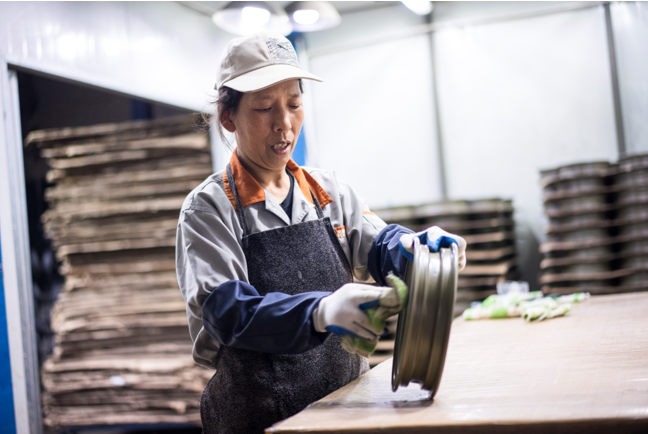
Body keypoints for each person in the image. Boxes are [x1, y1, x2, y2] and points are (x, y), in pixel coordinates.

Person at [175, 32, 467, 434]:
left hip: (343, 406)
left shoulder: (326, 190)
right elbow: (228, 313)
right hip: (259, 418)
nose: (284, 123)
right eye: (264, 107)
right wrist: (320, 312)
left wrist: (412, 247)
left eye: (294, 104)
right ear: (228, 117)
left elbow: (378, 246)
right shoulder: (210, 209)